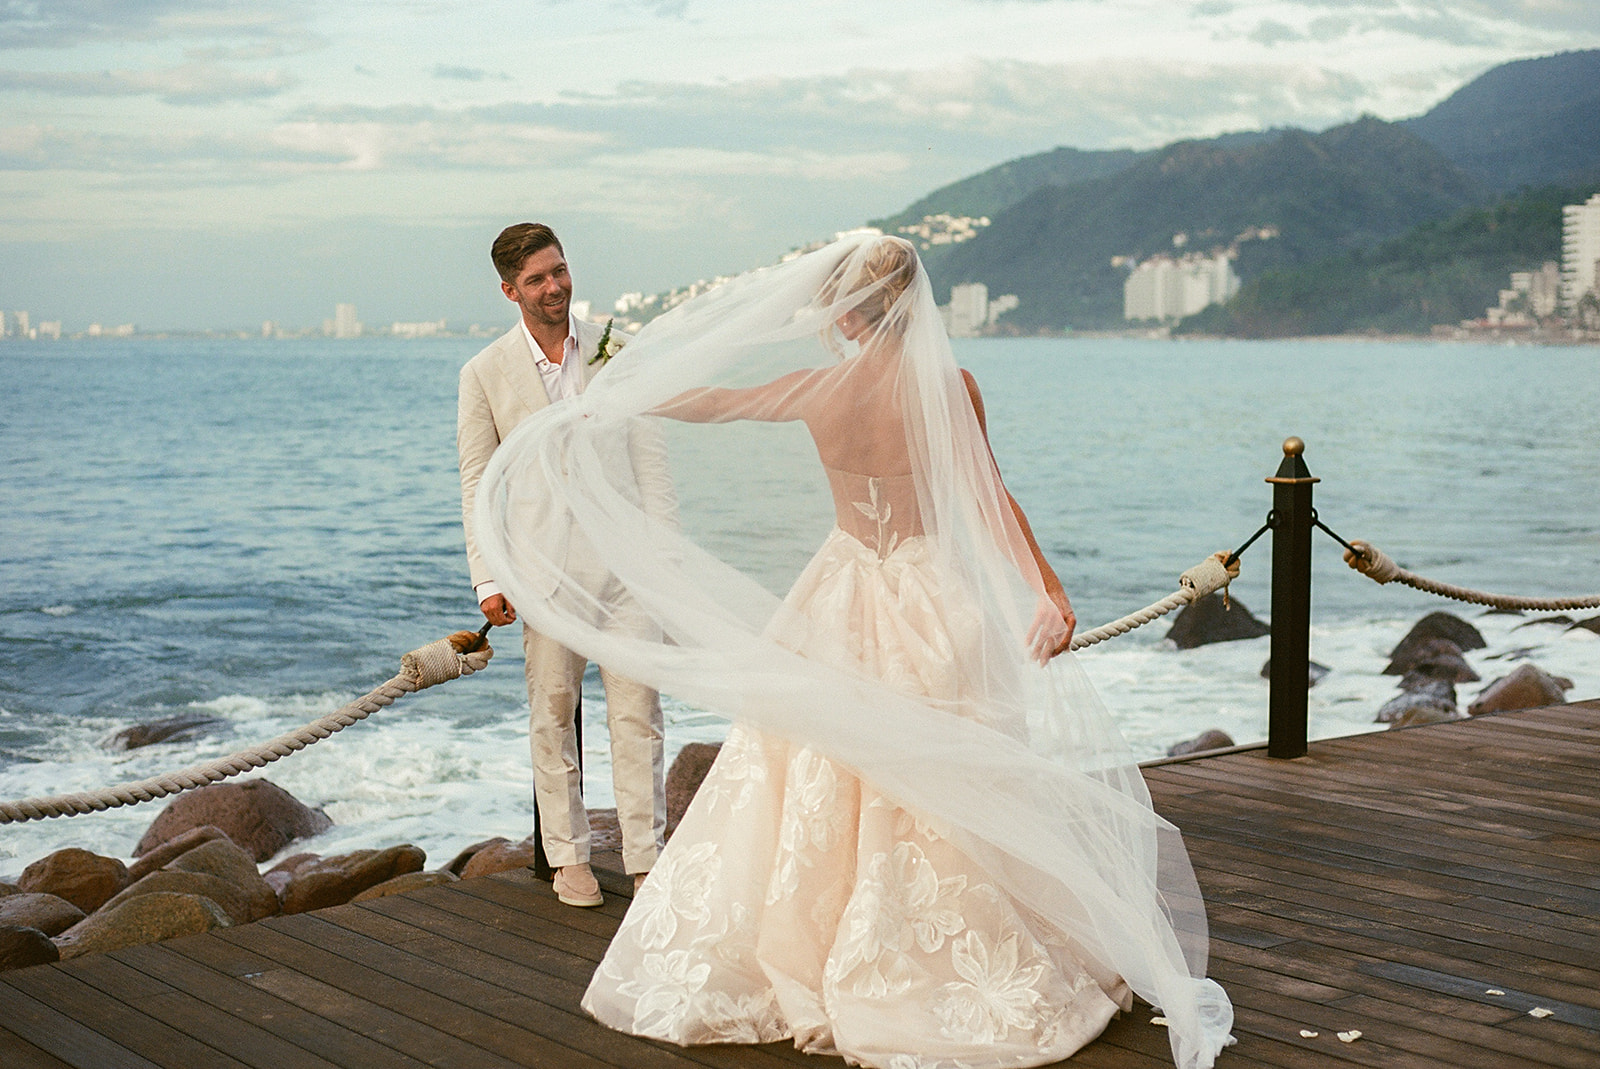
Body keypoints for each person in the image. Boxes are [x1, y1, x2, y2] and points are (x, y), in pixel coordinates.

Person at [473, 234, 1234, 1068]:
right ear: (913, 305)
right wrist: (1048, 593)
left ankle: (816, 941)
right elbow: (991, 500)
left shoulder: (818, 389)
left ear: (846, 312)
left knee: (812, 775)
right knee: (942, 776)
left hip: (836, 594)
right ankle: (928, 952)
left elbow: (717, 402)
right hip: (929, 598)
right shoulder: (951, 389)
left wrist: (613, 398)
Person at [457, 222, 675, 907]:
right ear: (509, 290)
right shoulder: (484, 373)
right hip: (542, 575)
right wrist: (489, 578)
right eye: (537, 280)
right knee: (552, 716)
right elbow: (476, 482)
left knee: (639, 716)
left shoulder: (617, 349)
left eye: (559, 271)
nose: (555, 287)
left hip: (626, 570)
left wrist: (664, 561)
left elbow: (651, 461)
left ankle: (647, 859)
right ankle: (568, 857)